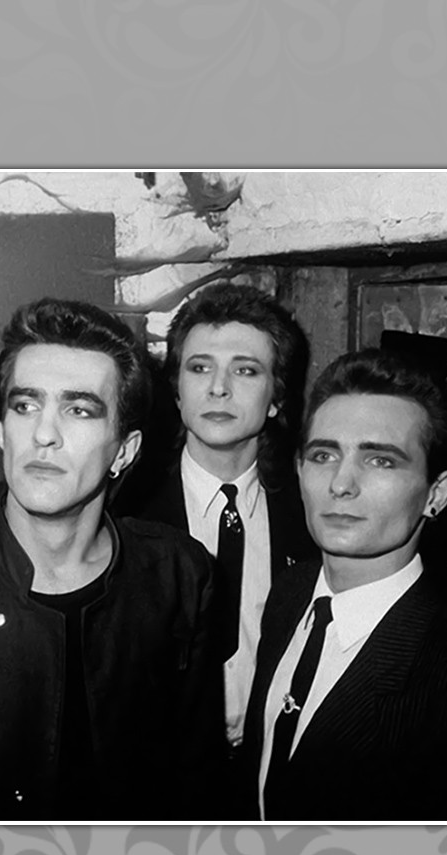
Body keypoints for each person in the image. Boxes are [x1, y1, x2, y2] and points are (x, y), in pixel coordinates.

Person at [0, 298, 227, 821]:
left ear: (124, 450)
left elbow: (196, 788)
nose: (44, 433)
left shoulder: (179, 576)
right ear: (2, 432)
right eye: (25, 406)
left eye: (79, 410)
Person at [240, 348, 447, 821]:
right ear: (300, 470)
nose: (341, 484)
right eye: (324, 455)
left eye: (380, 461)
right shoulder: (290, 592)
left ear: (436, 495)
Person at [115, 282, 315, 751]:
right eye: (199, 367)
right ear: (178, 392)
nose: (218, 388)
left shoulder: (309, 511)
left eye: (245, 370)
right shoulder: (125, 512)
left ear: (276, 397)